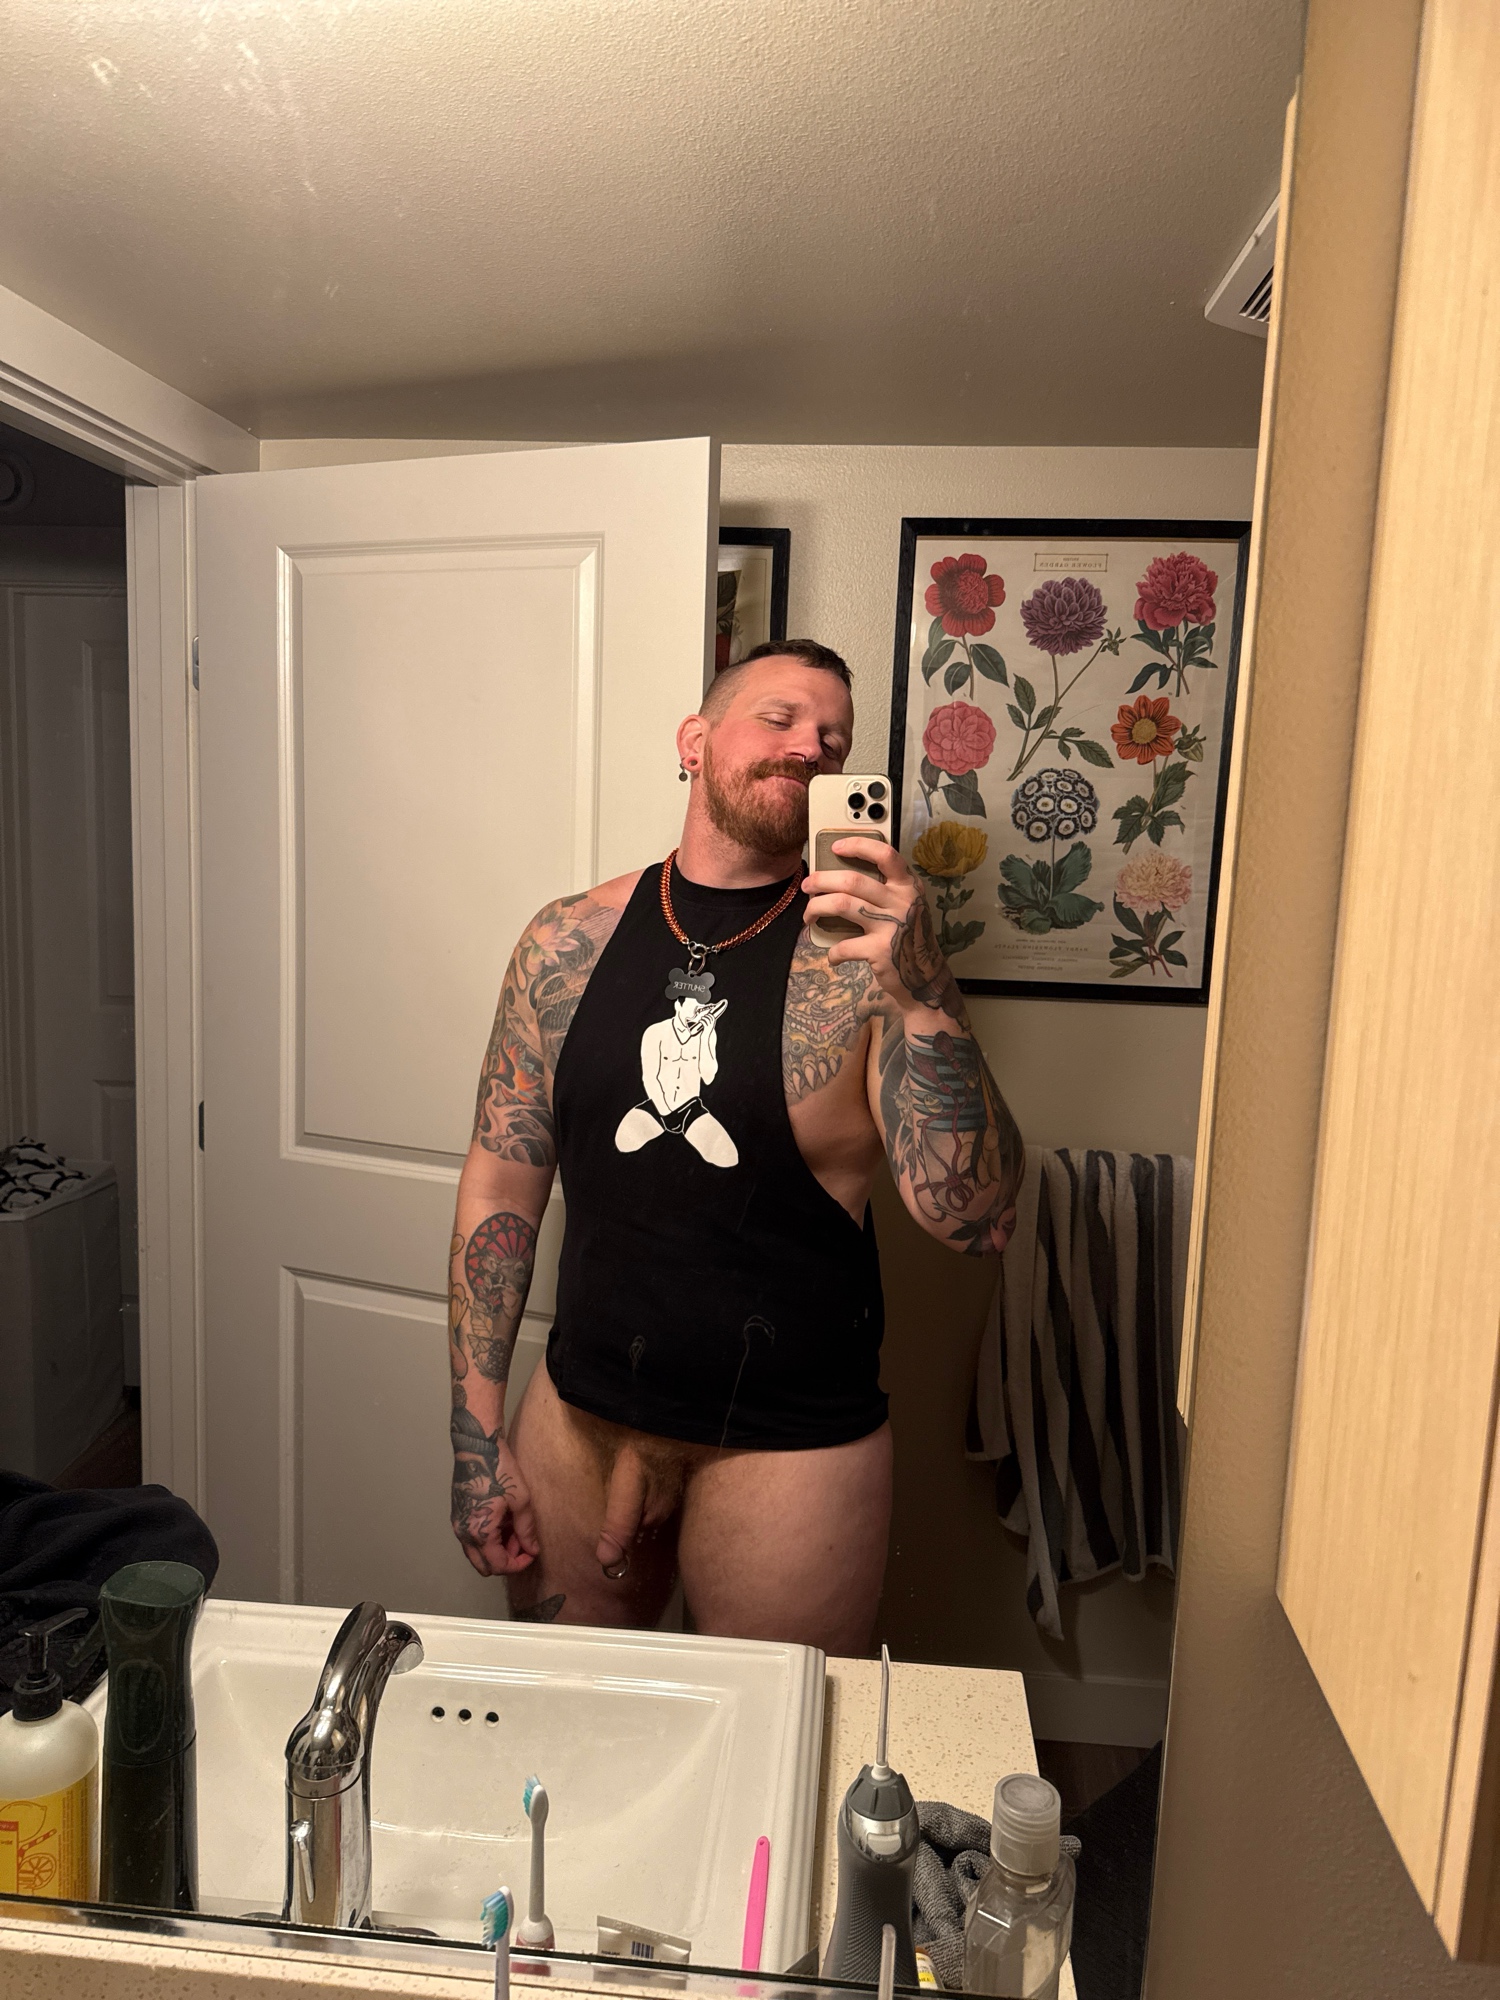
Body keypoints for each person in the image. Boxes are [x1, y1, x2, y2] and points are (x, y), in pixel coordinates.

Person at [447, 639, 1023, 1652]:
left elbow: (979, 1221)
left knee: (775, 1735)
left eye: (833, 739)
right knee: (571, 1721)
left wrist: (924, 990)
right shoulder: (564, 942)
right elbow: (501, 1186)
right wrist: (474, 1431)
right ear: (695, 741)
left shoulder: (871, 964)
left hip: (791, 1446)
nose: (809, 746)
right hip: (578, 1417)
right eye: (781, 717)